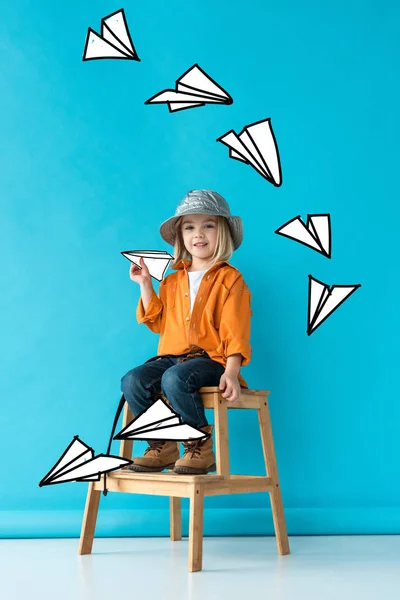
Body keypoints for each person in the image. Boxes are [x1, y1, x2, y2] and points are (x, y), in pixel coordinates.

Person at [121, 189, 253, 474]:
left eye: (208, 225)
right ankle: (162, 443)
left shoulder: (230, 279)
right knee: (133, 380)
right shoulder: (171, 281)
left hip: (212, 361)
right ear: (181, 237)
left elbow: (236, 328)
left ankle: (198, 445)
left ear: (223, 233)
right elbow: (157, 322)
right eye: (190, 227)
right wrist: (146, 284)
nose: (199, 234)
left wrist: (231, 371)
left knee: (175, 378)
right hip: (173, 358)